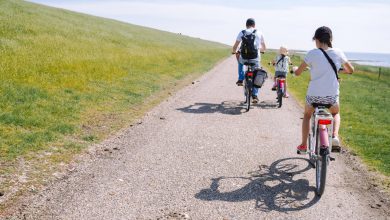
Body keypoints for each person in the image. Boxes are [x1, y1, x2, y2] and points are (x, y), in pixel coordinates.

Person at [292, 26, 354, 152]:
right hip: (331, 97)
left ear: (317, 39)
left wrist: (294, 69)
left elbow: (298, 72)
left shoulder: (312, 53)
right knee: (335, 113)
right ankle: (335, 136)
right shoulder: (338, 52)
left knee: (307, 115)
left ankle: (303, 145)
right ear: (330, 39)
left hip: (313, 96)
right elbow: (350, 70)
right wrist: (338, 70)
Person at [232, 18, 266, 103]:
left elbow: (235, 46)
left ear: (246, 25)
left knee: (240, 61)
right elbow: (264, 48)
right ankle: (255, 95)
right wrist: (261, 50)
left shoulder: (242, 32)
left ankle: (240, 78)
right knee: (256, 74)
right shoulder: (259, 33)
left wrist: (234, 51)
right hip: (255, 58)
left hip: (244, 57)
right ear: (254, 25)